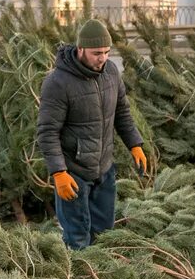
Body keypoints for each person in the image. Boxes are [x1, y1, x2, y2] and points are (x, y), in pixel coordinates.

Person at [37, 19, 146, 249]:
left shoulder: (111, 73)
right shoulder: (58, 83)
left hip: (104, 168)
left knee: (105, 233)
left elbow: (122, 113)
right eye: (97, 53)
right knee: (77, 238)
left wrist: (135, 144)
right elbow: (48, 133)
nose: (103, 58)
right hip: (74, 172)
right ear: (81, 49)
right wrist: (59, 172)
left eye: (107, 52)